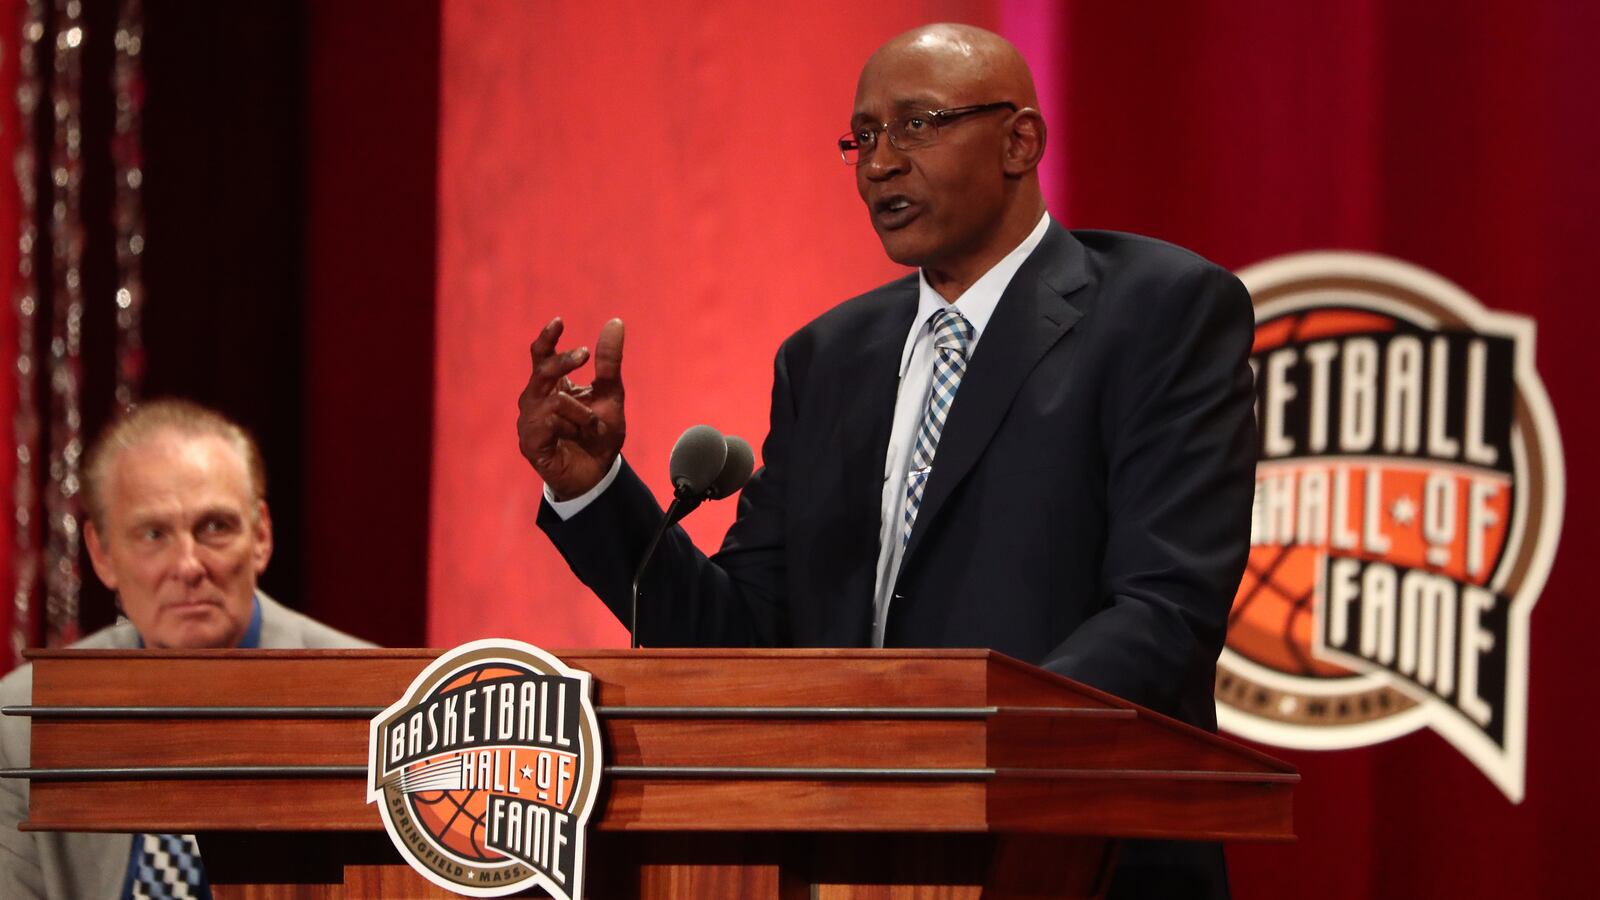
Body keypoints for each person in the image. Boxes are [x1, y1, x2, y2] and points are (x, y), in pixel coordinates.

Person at [518, 23, 1255, 898]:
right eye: (863, 137)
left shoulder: (1158, 311)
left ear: (1021, 140)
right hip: (843, 861)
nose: (879, 163)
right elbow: (747, 643)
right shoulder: (827, 358)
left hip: (1078, 855)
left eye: (918, 126)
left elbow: (1164, 609)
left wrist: (947, 749)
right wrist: (596, 492)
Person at [0, 399, 372, 900]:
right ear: (103, 554)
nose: (189, 565)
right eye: (154, 534)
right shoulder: (22, 719)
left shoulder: (371, 705)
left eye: (214, 527)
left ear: (261, 536)